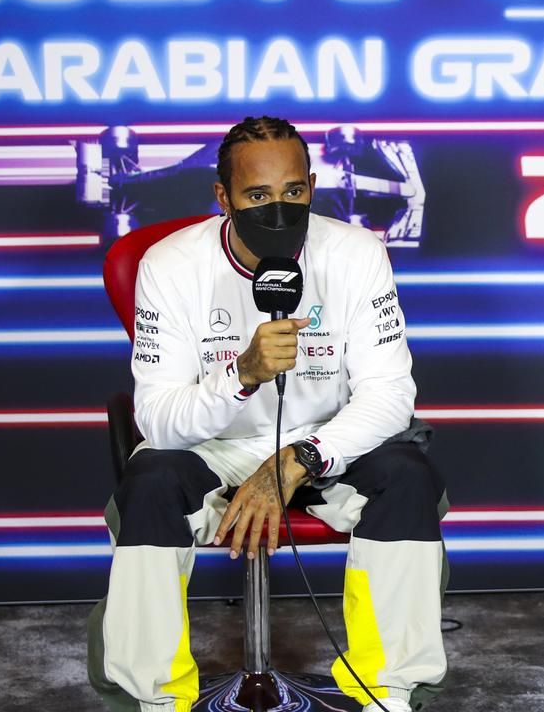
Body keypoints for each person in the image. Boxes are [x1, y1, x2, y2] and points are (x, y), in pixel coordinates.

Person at [87, 116, 446, 712]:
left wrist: (297, 460)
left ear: (310, 185)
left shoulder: (356, 254)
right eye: (257, 196)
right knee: (148, 483)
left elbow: (390, 393)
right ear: (222, 196)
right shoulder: (169, 265)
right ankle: (153, 700)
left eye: (293, 192)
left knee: (409, 477)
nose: (277, 210)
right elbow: (158, 418)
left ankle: (388, 692)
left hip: (325, 442)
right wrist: (243, 375)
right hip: (213, 446)